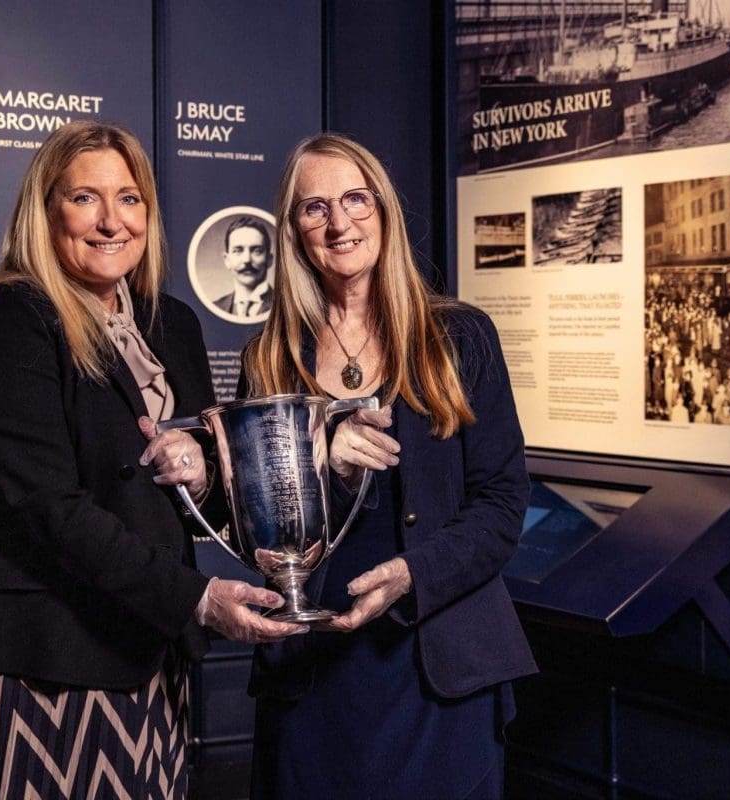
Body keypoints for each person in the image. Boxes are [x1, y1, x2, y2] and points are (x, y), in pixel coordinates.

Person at [0, 120, 304, 800]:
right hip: (35, 661)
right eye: (84, 198)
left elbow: (204, 502)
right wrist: (198, 599)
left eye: (129, 199)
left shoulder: (172, 323)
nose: (110, 222)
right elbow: (47, 510)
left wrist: (209, 470)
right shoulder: (13, 318)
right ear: (45, 212)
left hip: (146, 654)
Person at [240, 132, 537, 799]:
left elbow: (501, 504)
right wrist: (321, 460)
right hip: (316, 670)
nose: (339, 222)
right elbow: (257, 534)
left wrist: (410, 575)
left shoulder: (458, 337)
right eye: (315, 208)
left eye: (355, 199)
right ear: (293, 232)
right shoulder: (269, 358)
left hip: (439, 668)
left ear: (384, 210)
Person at [214, 215, 274, 317]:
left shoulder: (284, 305)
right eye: (238, 250)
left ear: (269, 259)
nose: (247, 260)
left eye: (257, 251)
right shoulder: (217, 307)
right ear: (227, 260)